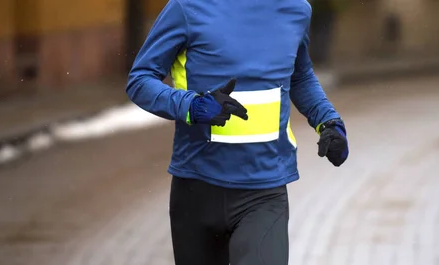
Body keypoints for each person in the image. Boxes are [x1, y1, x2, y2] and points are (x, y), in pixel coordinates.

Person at [125, 0, 349, 264]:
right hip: (197, 191)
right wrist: (192, 106)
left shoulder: (296, 9)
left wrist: (329, 121)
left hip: (264, 192)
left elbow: (299, 76)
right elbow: (140, 80)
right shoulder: (186, 7)